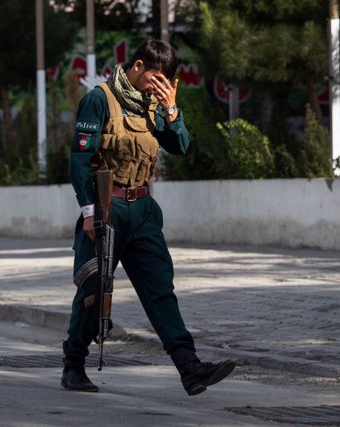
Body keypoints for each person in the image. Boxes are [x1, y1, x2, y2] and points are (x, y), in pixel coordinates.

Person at [62, 39, 235, 396]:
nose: (159, 87)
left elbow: (181, 146)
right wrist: (90, 212)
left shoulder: (155, 106)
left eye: (166, 83)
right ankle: (73, 363)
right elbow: (80, 161)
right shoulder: (100, 99)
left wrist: (172, 111)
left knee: (160, 291)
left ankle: (189, 367)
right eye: (156, 78)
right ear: (137, 66)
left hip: (143, 210)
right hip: (106, 208)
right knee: (94, 290)